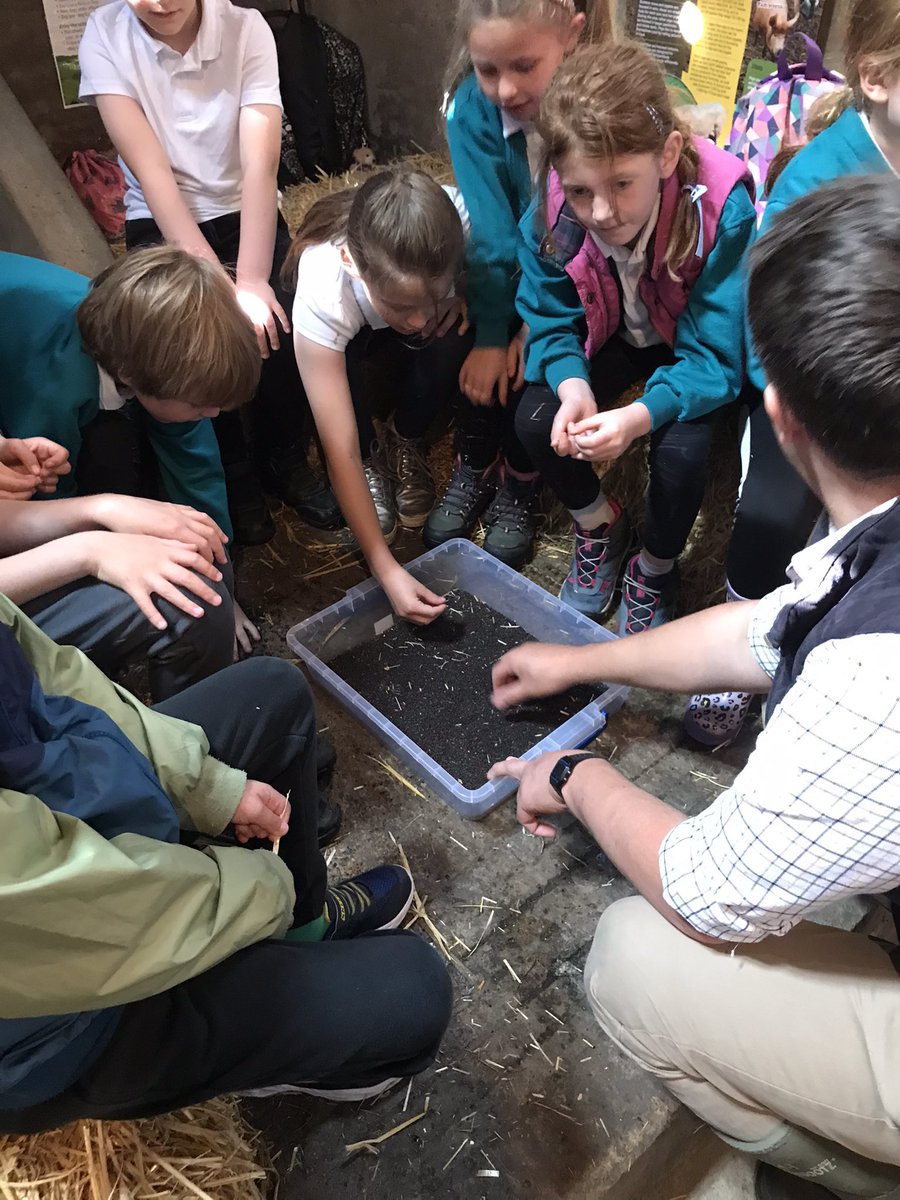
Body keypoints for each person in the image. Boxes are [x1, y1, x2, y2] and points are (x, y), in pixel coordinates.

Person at [489, 176, 900, 1200]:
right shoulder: (869, 553)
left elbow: (708, 893)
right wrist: (583, 659)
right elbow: (770, 629)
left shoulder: (867, 687)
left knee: (635, 961)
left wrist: (574, 772)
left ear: (779, 417)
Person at [0, 602, 451, 1132]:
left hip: (74, 833)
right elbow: (76, 916)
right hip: (57, 1020)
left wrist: (205, 785)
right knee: (414, 992)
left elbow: (53, 677)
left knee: (273, 696)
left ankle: (302, 937)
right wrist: (266, 891)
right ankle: (275, 1049)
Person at [684, 0, 900, 748]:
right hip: (813, 387)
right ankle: (738, 659)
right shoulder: (822, 174)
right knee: (772, 514)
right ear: (877, 78)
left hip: (889, 383)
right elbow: (768, 310)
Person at [513, 39, 755, 635]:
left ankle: (655, 566)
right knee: (535, 419)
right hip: (614, 330)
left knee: (680, 454)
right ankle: (599, 523)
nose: (600, 212)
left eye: (622, 184)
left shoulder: (723, 209)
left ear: (669, 153)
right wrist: (572, 382)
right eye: (579, 191)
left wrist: (639, 418)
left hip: (687, 343)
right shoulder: (552, 213)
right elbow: (548, 314)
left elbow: (716, 353)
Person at [78, 0, 340, 546]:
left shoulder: (246, 29)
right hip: (164, 217)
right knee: (190, 358)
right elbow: (152, 174)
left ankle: (285, 457)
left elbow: (261, 164)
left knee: (278, 336)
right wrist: (214, 287)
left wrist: (250, 279)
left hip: (248, 210)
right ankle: (234, 474)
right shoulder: (106, 33)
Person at [424, 0, 614, 567]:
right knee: (464, 344)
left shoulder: (598, 111)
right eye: (488, 70)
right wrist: (491, 333)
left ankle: (521, 473)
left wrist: (527, 329)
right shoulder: (470, 111)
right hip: (508, 268)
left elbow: (573, 240)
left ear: (572, 37)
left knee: (532, 370)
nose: (504, 90)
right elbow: (494, 232)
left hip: (580, 281)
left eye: (524, 66)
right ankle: (478, 456)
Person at [0, 246, 262, 655]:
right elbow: (49, 488)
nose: (211, 414)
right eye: (197, 406)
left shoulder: (152, 352)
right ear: (129, 377)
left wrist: (223, 593)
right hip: (24, 349)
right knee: (46, 469)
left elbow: (196, 469)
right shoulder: (57, 385)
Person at [286, 166, 470, 624]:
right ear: (352, 260)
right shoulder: (324, 285)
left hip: (393, 296)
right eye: (403, 306)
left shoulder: (458, 217)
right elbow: (338, 446)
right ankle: (376, 456)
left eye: (431, 295)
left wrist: (462, 293)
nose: (417, 318)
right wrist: (384, 568)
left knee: (454, 328)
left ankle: (407, 437)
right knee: (348, 372)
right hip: (351, 332)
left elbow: (498, 260)